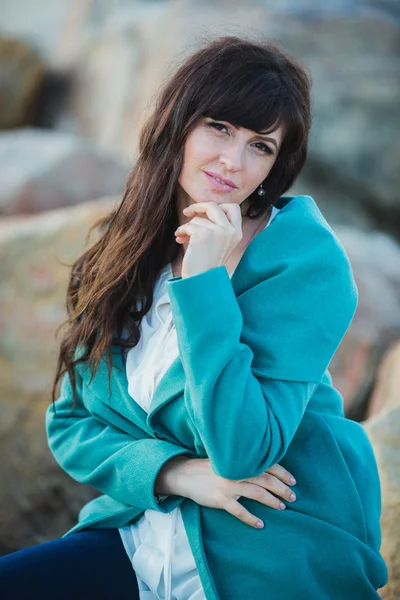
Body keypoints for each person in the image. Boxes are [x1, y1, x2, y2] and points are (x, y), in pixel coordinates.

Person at [0, 35, 388, 600]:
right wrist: (176, 473)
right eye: (220, 128)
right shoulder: (127, 249)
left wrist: (204, 285)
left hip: (264, 549)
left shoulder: (303, 261)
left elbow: (243, 450)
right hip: (143, 535)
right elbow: (71, 424)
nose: (233, 162)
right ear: (178, 123)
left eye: (261, 146)